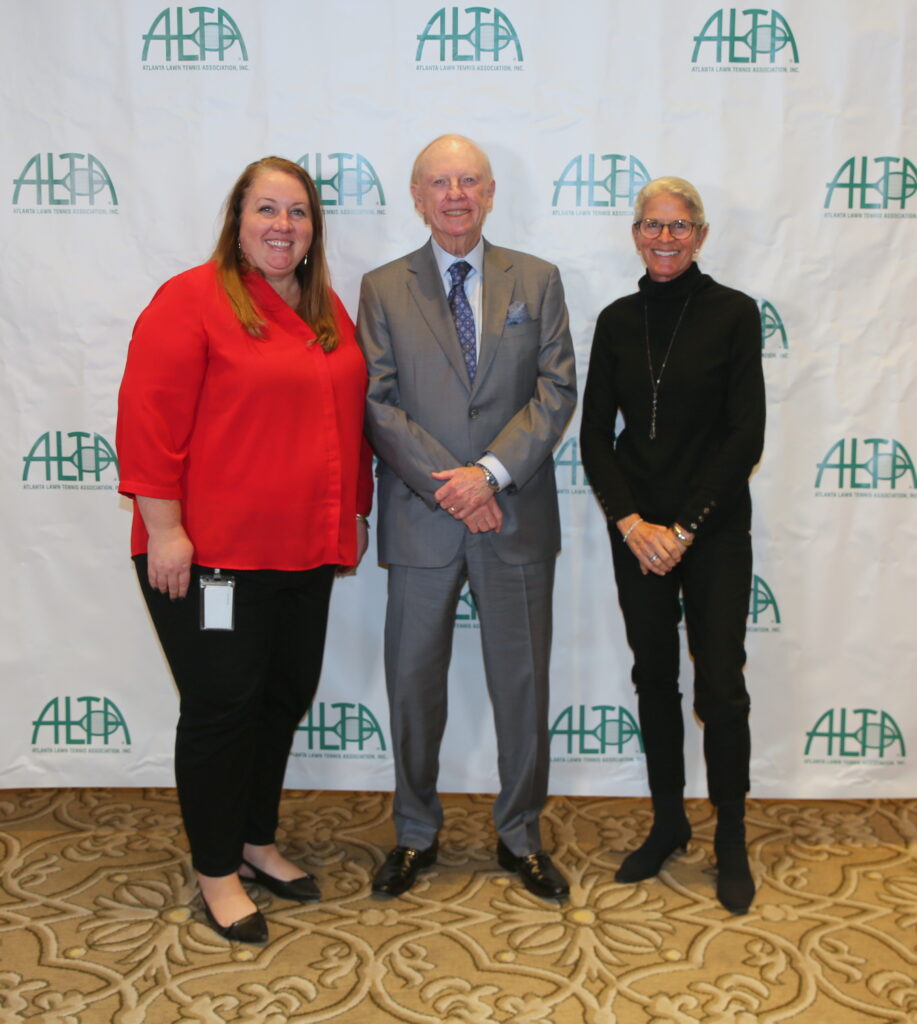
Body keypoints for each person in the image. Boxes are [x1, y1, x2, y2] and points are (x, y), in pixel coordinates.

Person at [116, 156, 372, 944]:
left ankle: (257, 840)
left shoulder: (324, 306)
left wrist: (350, 515)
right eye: (267, 209)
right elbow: (148, 417)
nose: (282, 226)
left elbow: (343, 419)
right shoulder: (190, 299)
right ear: (237, 218)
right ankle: (217, 868)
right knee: (223, 711)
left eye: (297, 213)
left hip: (304, 549)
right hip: (210, 556)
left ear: (313, 230)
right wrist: (164, 530)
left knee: (281, 699)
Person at [357, 134, 577, 901]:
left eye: (469, 181)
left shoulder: (538, 281)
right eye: (439, 183)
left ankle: (520, 835)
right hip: (423, 522)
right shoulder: (382, 288)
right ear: (416, 197)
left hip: (511, 516)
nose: (455, 194)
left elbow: (555, 393)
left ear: (489, 193)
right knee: (413, 686)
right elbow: (376, 402)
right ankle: (414, 834)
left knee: (521, 685)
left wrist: (486, 476)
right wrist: (448, 485)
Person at [580, 176, 765, 914]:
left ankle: (730, 840)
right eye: (652, 225)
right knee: (653, 678)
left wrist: (684, 527)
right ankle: (666, 824)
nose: (664, 238)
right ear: (634, 234)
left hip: (711, 531)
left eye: (679, 225)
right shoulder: (616, 320)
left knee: (719, 686)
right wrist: (633, 526)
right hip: (637, 534)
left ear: (700, 234)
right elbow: (595, 439)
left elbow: (743, 433)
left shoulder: (733, 314)